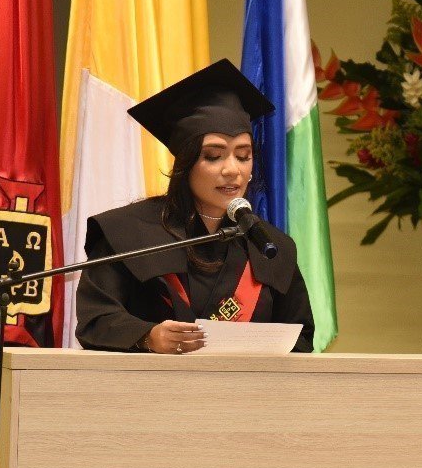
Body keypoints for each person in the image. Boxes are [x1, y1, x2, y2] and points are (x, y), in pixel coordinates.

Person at [74, 59, 315, 354]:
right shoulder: (126, 233)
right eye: (213, 156)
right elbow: (96, 319)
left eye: (243, 156)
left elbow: (301, 338)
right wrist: (148, 336)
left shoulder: (270, 246)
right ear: (186, 164)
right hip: (148, 392)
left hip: (244, 395)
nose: (232, 170)